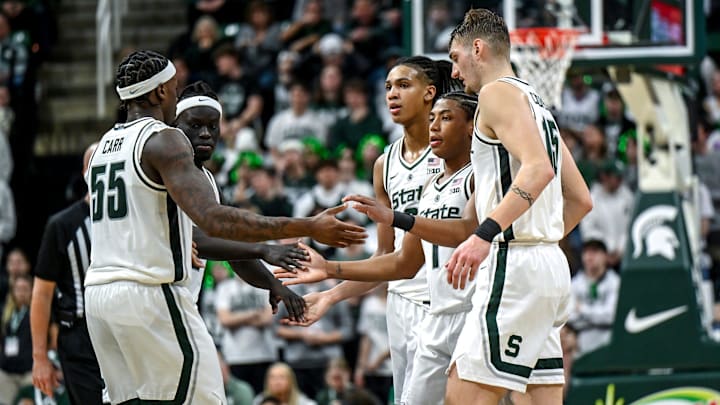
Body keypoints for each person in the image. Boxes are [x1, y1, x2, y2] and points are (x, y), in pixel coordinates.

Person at [84, 50, 366, 404]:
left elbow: (212, 236)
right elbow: (213, 224)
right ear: (159, 94)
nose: (204, 134)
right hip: (148, 292)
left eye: (212, 127)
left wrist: (270, 279)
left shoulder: (103, 148)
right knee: (206, 399)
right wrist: (305, 225)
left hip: (99, 296)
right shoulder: (164, 143)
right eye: (173, 88)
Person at [418, 9, 591, 403]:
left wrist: (487, 236)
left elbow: (538, 171)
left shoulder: (496, 94)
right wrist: (539, 241)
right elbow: (581, 199)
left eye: (456, 60)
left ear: (477, 48)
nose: (456, 74)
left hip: (515, 267)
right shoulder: (538, 107)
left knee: (463, 397)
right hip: (548, 267)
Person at [281, 56, 462, 404]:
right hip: (400, 302)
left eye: (404, 85)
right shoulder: (385, 163)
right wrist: (330, 296)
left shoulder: (452, 153)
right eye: (388, 87)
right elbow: (385, 256)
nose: (392, 94)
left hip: (445, 300)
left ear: (430, 93)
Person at [30, 144, 105, 404]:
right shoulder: (62, 225)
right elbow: (41, 294)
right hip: (79, 337)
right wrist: (40, 358)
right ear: (86, 172)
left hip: (123, 328)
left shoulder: (132, 219)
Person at [566, 240, 621, 355]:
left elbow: (611, 316)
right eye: (586, 252)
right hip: (581, 340)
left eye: (595, 252)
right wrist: (597, 316)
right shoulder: (575, 283)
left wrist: (582, 309)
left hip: (608, 339)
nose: (589, 257)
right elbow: (570, 317)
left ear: (605, 256)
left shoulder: (615, 282)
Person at [252, 362, 317, 405]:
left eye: (281, 377)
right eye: (272, 377)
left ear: (291, 381)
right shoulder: (259, 401)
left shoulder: (303, 402)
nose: (277, 382)